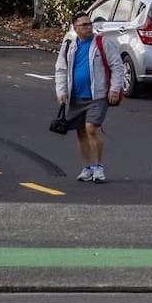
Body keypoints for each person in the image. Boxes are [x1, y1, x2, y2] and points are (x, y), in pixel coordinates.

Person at [53, 11, 126, 184]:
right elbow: (61, 69)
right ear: (75, 28)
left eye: (90, 24)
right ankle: (87, 168)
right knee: (80, 131)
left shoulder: (102, 43)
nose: (88, 27)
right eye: (84, 25)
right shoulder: (69, 45)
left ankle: (98, 167)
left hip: (97, 95)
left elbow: (117, 66)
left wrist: (114, 89)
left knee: (91, 127)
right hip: (76, 96)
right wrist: (61, 92)